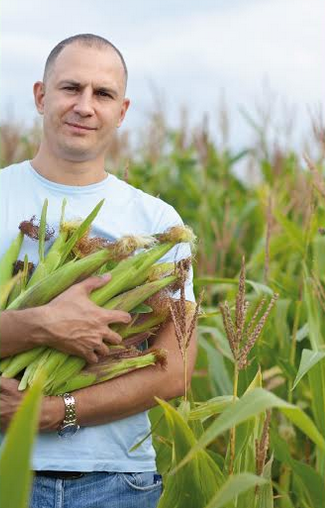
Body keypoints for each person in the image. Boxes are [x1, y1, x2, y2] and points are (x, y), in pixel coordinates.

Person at [0, 34, 197, 508]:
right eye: (71, 88)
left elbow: (178, 368)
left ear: (122, 110)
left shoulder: (159, 224)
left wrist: (53, 412)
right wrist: (44, 324)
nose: (85, 106)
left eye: (103, 94)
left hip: (116, 485)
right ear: (41, 96)